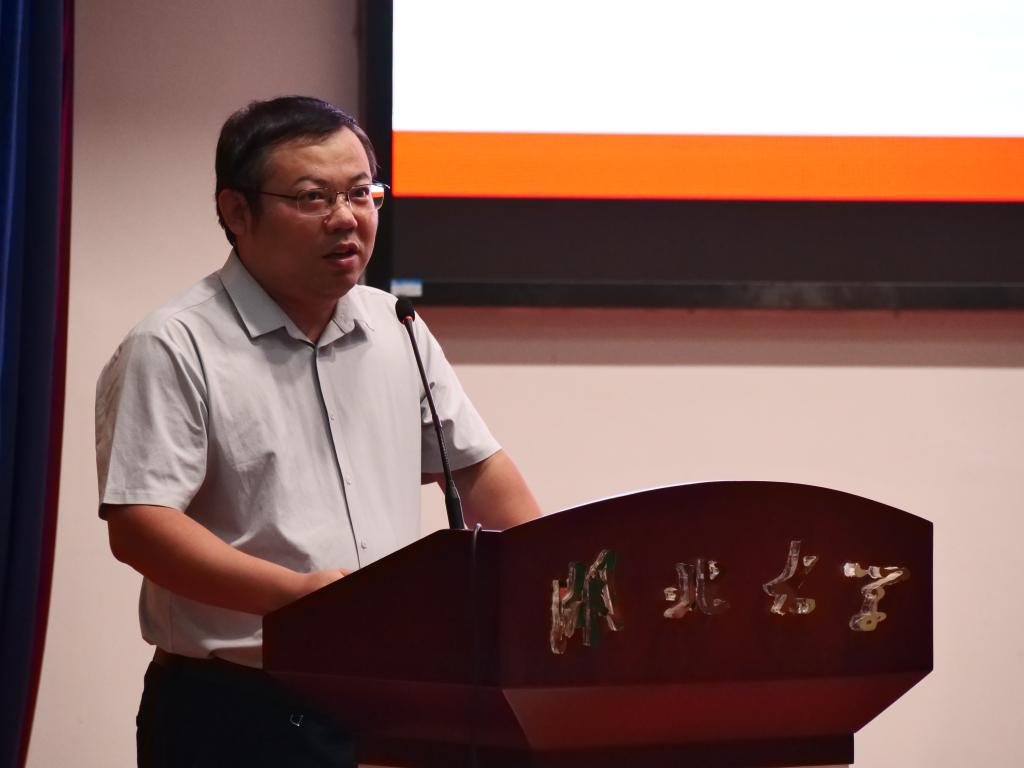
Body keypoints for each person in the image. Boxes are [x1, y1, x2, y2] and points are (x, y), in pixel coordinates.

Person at [95, 95, 541, 767]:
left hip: (383, 697)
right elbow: (141, 527)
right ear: (237, 211)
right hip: (233, 709)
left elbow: (478, 468)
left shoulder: (395, 327)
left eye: (361, 193)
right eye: (313, 197)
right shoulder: (176, 344)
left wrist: (546, 583)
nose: (347, 218)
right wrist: (299, 600)